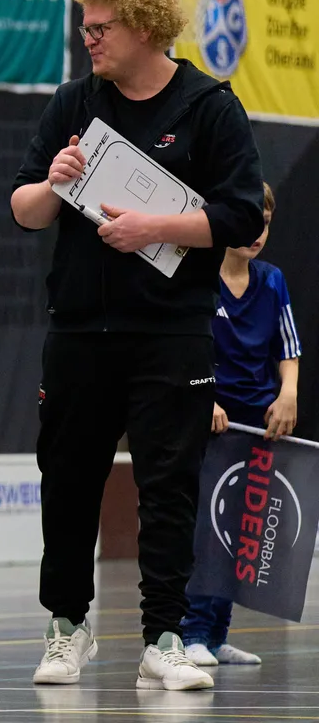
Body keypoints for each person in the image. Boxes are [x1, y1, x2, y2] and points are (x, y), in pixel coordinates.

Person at [9, 0, 265, 690]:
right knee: (67, 482)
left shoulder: (211, 107)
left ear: (146, 28)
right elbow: (24, 210)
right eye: (83, 28)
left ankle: (165, 637)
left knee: (169, 484)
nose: (88, 39)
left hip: (171, 332)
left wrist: (160, 225)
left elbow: (242, 214)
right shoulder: (72, 104)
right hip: (79, 332)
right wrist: (54, 184)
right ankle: (66, 627)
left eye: (101, 28)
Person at [182, 182, 300, 667]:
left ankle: (215, 636)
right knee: (204, 529)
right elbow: (183, 344)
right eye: (250, 220)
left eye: (266, 223)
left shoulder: (272, 281)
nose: (258, 232)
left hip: (257, 425)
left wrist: (287, 394)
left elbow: (288, 349)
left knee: (240, 530)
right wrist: (202, 396)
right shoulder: (197, 277)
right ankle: (188, 634)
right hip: (211, 423)